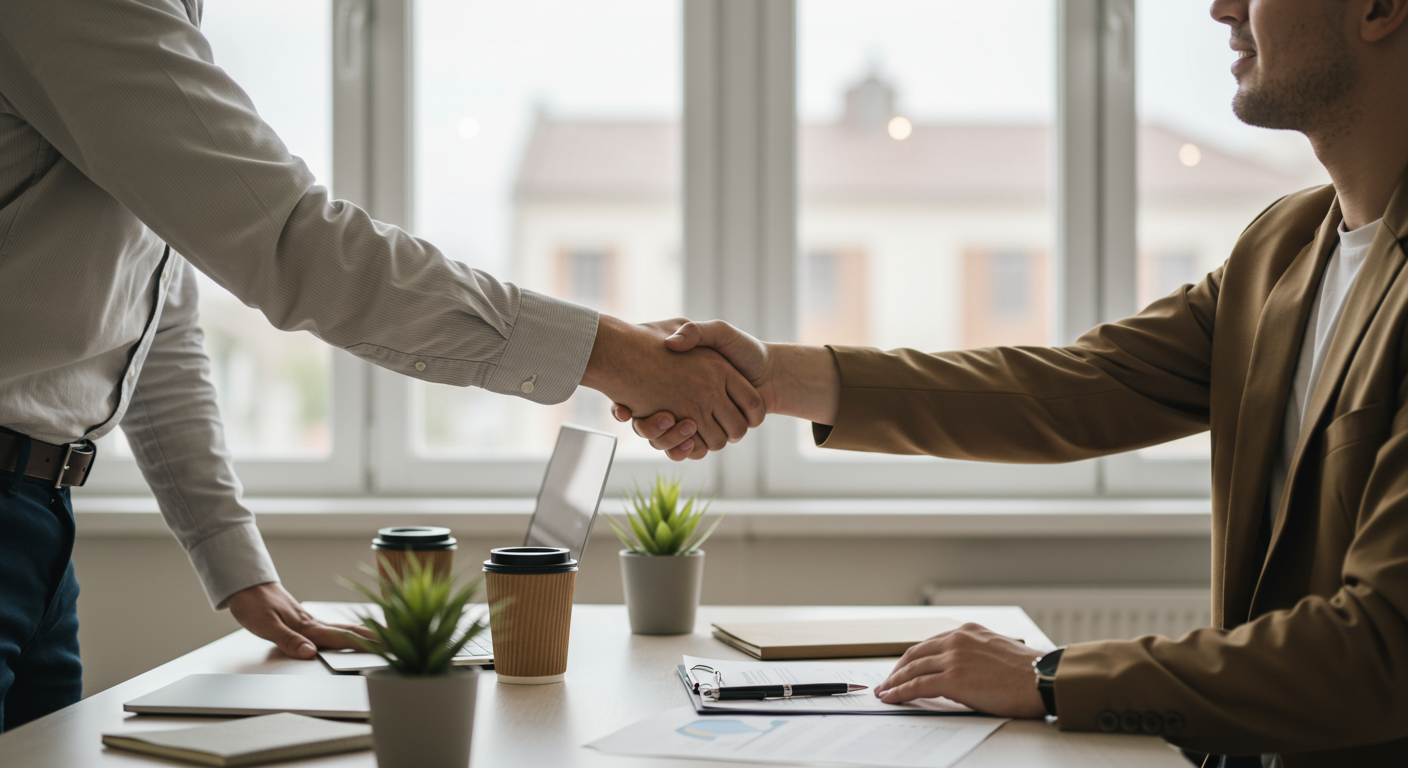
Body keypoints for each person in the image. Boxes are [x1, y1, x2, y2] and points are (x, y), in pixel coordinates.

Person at [617, 0, 1408, 765]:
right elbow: (1071, 390)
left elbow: (1381, 649)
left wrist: (1053, 677)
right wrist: (773, 375)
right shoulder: (1281, 247)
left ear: (1378, 8)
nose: (1221, 8)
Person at [0, 0, 761, 733]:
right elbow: (299, 243)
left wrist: (237, 567)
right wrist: (619, 357)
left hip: (41, 517)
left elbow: (155, 318)